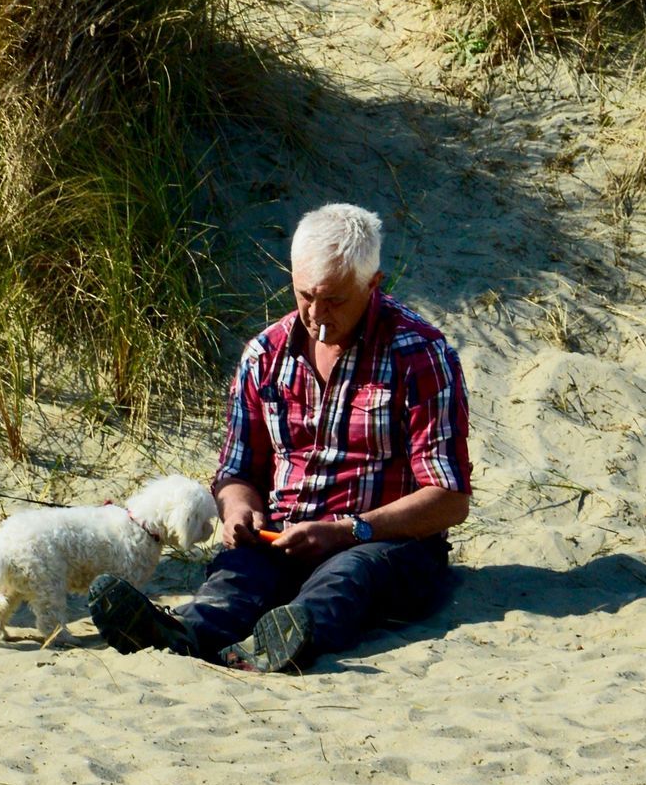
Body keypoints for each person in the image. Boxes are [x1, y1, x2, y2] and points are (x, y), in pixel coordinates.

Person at [91, 203, 470, 674]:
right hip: (282, 537)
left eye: (334, 300)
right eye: (305, 295)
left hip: (382, 542)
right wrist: (237, 510)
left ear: (374, 285)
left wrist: (349, 530)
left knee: (349, 577)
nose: (317, 314)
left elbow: (449, 498)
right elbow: (236, 472)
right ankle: (181, 632)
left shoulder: (420, 356)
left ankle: (287, 640)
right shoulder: (265, 354)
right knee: (235, 579)